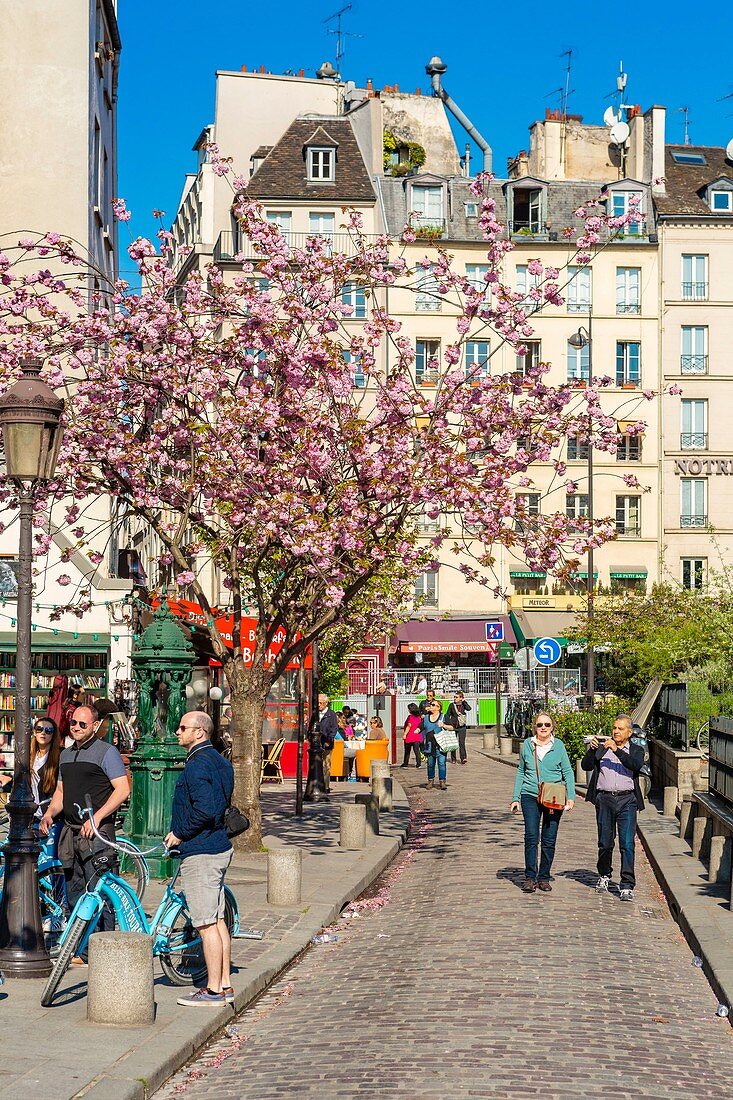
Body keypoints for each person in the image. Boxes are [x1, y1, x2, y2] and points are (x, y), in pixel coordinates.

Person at [40, 704, 130, 937]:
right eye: (73, 723)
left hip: (97, 834)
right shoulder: (66, 755)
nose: (77, 727)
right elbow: (61, 792)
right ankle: (81, 945)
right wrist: (50, 814)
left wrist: (97, 817)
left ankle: (102, 946)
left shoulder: (106, 751)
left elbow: (122, 790)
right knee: (74, 891)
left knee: (100, 889)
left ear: (95, 726)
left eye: (83, 724)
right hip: (71, 832)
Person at [165, 710, 235, 1007]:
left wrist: (178, 833)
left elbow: (205, 810)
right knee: (217, 920)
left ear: (199, 732)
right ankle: (226, 983)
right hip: (218, 846)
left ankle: (214, 990)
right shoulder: (220, 760)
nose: (177, 732)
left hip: (202, 851)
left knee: (205, 924)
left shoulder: (196, 765)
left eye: (183, 728)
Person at [582, 713, 645, 901]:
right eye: (614, 728)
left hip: (627, 800)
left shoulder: (635, 750)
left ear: (629, 732)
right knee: (605, 842)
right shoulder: (603, 748)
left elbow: (635, 765)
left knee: (627, 843)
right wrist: (592, 751)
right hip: (605, 799)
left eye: (620, 729)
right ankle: (604, 874)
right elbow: (586, 766)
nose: (615, 731)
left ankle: (626, 884)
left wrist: (616, 750)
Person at [510, 712, 575, 893]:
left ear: (552, 727)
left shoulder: (559, 746)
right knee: (531, 836)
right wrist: (515, 798)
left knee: (549, 838)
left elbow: (568, 772)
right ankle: (530, 877)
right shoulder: (527, 746)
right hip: (530, 794)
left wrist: (571, 797)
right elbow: (521, 772)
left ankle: (544, 877)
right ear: (535, 728)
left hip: (553, 797)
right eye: (540, 725)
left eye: (547, 724)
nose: (543, 728)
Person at [421, 700, 452, 791]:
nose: (431, 705)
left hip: (441, 744)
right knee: (430, 764)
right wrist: (417, 730)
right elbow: (421, 726)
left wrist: (444, 725)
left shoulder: (443, 717)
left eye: (433, 704)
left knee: (441, 763)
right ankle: (430, 781)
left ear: (438, 708)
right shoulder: (426, 717)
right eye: (431, 704)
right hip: (429, 745)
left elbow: (452, 727)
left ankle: (442, 781)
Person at [316, 693, 338, 794]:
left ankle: (326, 785)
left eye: (321, 703)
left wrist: (329, 740)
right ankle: (318, 784)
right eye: (318, 703)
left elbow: (334, 729)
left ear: (326, 703)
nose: (319, 705)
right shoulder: (315, 713)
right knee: (317, 764)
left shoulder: (331, 714)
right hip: (317, 743)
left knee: (326, 765)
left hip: (327, 743)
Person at [445, 691, 471, 765]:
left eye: (456, 697)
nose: (455, 698)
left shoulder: (463, 705)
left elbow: (469, 708)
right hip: (454, 727)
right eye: (454, 697)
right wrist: (449, 724)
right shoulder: (451, 705)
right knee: (453, 743)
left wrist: (464, 701)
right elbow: (447, 715)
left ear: (461, 698)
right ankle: (453, 758)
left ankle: (463, 758)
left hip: (462, 727)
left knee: (461, 743)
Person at [400, 702, 423, 768]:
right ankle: (418, 764)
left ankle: (405, 763)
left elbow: (409, 726)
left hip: (410, 736)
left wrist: (404, 734)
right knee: (417, 751)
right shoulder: (419, 717)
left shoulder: (410, 717)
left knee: (407, 751)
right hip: (417, 735)